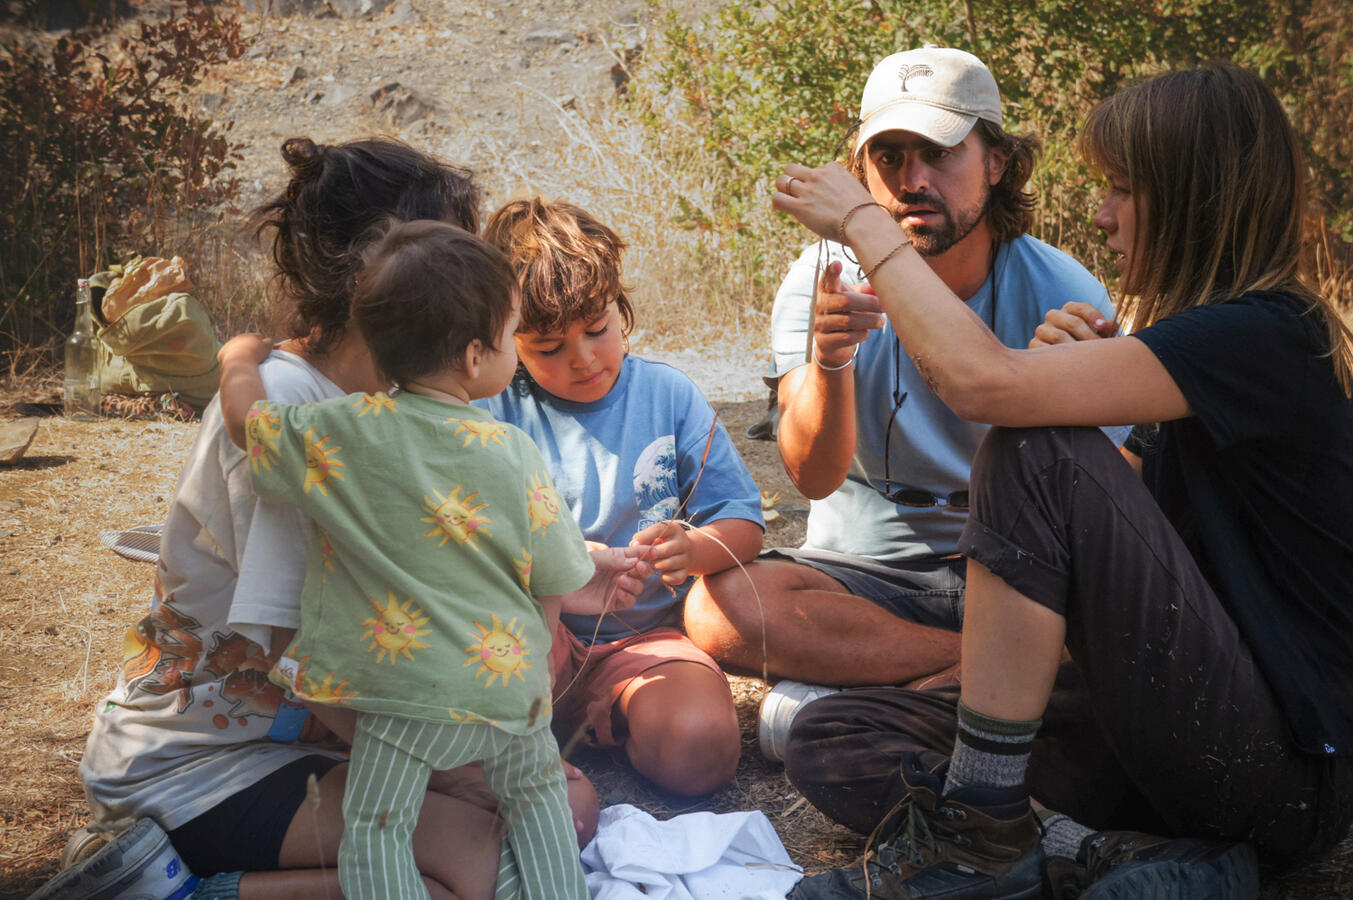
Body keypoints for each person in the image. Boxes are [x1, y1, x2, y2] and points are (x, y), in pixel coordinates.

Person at [774, 62, 1353, 900]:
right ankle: (1104, 853)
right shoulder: (1196, 339)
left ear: (1191, 197)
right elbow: (1129, 542)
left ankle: (982, 836)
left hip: (1279, 770)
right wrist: (1062, 393)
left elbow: (984, 390)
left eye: (1121, 190)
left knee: (1026, 443)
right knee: (834, 735)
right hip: (1169, 725)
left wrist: (866, 221)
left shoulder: (1267, 330)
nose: (1100, 215)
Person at [50, 138, 604, 900]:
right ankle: (173, 891)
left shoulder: (401, 409)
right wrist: (465, 773)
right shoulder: (291, 414)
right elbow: (298, 656)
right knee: (482, 866)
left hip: (335, 735)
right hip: (206, 759)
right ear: (379, 274)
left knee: (562, 813)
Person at [682, 47, 1122, 740]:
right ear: (859, 171)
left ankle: (876, 692)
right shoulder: (819, 280)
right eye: (887, 156)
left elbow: (1120, 493)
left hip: (1011, 570)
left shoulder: (1061, 290)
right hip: (866, 571)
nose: (912, 180)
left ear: (996, 162)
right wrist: (828, 362)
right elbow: (811, 476)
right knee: (720, 606)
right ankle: (982, 677)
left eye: (940, 153)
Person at [215, 220, 643, 900]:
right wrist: (532, 662)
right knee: (537, 811)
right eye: (508, 336)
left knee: (378, 826)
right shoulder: (511, 452)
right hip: (504, 689)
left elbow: (247, 424)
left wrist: (237, 359)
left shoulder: (339, 432)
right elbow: (558, 572)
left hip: (396, 694)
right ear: (476, 356)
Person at [479, 198, 765, 796]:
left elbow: (742, 523)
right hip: (523, 640)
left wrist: (691, 550)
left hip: (642, 642)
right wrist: (556, 569)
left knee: (701, 752)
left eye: (598, 330)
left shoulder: (668, 394)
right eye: (548, 348)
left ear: (621, 308)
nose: (583, 359)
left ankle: (602, 718)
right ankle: (538, 728)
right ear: (506, 341)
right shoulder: (487, 410)